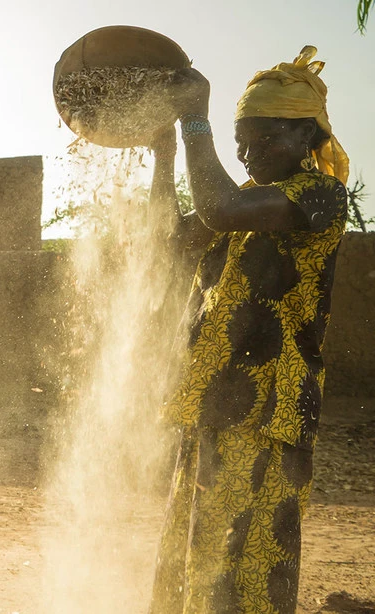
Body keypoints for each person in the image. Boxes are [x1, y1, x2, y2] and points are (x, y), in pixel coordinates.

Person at [148, 46, 349, 613]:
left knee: (243, 561)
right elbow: (171, 239)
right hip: (216, 399)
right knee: (197, 550)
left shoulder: (319, 196)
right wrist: (165, 153)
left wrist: (194, 120)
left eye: (264, 137)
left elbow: (220, 209)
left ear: (306, 135)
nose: (247, 150)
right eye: (241, 138)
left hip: (268, 409)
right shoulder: (241, 203)